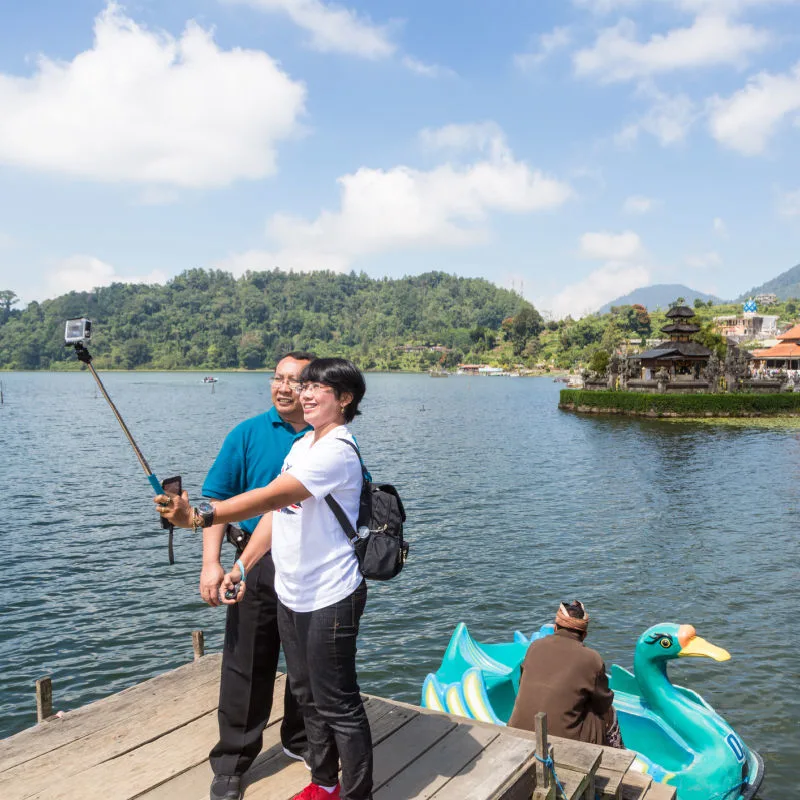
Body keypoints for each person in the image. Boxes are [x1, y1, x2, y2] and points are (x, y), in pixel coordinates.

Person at [156, 358, 372, 800]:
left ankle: (354, 791)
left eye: (315, 386)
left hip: (329, 592)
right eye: (298, 384)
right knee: (298, 691)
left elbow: (275, 493)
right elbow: (277, 513)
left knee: (336, 702)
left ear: (345, 399)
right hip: (288, 585)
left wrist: (199, 517)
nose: (302, 392)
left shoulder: (335, 450)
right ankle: (323, 784)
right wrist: (238, 566)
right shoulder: (302, 445)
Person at [203, 351, 315, 800]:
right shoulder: (247, 434)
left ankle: (300, 739)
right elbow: (214, 503)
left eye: (296, 381)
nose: (284, 387)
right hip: (253, 560)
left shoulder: (324, 436)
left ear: (313, 389)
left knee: (308, 661)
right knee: (247, 661)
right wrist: (213, 563)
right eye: (278, 378)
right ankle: (233, 759)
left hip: (311, 561)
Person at [508, 601, 624, 749]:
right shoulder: (592, 658)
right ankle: (615, 756)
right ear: (584, 635)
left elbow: (521, 682)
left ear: (556, 628)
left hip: (516, 732)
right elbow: (603, 703)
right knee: (609, 713)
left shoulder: (535, 646)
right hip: (559, 746)